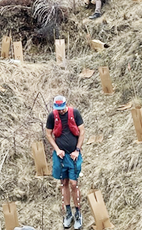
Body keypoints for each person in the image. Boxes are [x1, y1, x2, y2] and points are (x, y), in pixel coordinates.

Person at [45, 96, 85, 230]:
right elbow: (48, 134)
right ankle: (68, 213)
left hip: (73, 155)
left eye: (62, 109)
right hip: (60, 156)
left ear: (65, 105)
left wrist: (77, 150)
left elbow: (82, 132)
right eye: (58, 109)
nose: (61, 111)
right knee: (64, 183)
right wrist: (57, 150)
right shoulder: (52, 116)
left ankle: (78, 212)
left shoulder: (75, 113)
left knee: (74, 183)